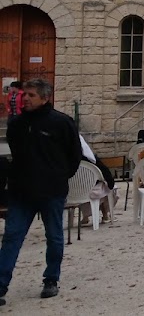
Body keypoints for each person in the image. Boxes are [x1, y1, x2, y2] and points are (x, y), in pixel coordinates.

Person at [0, 80, 82, 304]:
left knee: (54, 237)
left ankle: (51, 280)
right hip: (21, 191)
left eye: (31, 95)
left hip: (51, 191)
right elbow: (15, 150)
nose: (26, 98)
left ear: (45, 98)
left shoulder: (61, 123)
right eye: (25, 94)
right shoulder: (17, 123)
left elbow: (74, 156)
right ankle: (1, 285)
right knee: (12, 237)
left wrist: (57, 175)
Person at [77, 135, 115, 226]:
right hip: (90, 191)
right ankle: (105, 214)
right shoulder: (91, 159)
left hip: (71, 193)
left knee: (80, 185)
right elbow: (106, 174)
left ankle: (85, 217)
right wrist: (110, 183)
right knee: (104, 186)